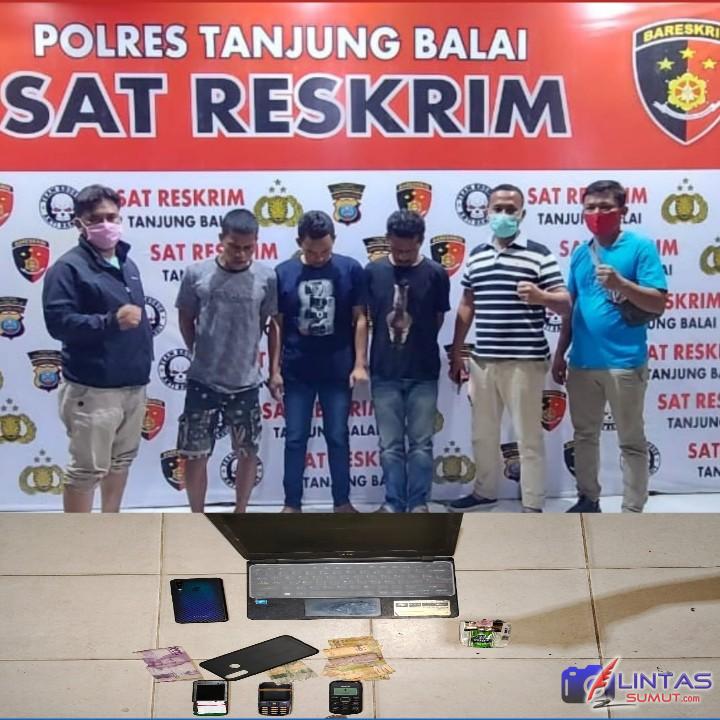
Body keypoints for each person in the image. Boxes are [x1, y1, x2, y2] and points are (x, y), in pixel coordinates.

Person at [448, 184, 571, 513]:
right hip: (483, 360)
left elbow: (565, 303)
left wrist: (541, 297)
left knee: (528, 437)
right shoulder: (477, 255)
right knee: (483, 434)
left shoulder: (539, 254)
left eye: (510, 209)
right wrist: (457, 351)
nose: (503, 214)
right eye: (497, 208)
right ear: (487, 212)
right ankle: (484, 492)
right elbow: (467, 304)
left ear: (522, 214)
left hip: (525, 361)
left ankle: (532, 503)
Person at [552, 180, 667, 513]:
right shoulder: (580, 254)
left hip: (625, 363)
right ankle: (588, 499)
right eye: (590, 207)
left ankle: (632, 510)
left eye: (605, 207)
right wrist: (560, 354)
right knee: (584, 436)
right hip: (582, 364)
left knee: (631, 441)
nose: (597, 213)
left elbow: (658, 302)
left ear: (623, 211)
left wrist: (621, 284)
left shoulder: (640, 247)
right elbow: (571, 308)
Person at [42, 184, 152, 512]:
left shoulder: (127, 264)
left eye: (112, 217)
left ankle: (109, 529)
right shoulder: (67, 268)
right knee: (87, 470)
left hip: (133, 384)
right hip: (93, 390)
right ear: (79, 223)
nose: (107, 224)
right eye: (97, 219)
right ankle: (81, 538)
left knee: (120, 462)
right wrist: (110, 321)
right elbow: (59, 324)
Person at [175, 209, 278, 512]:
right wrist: (198, 350)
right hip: (202, 380)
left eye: (248, 247)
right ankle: (197, 515)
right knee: (195, 453)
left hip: (245, 381)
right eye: (234, 246)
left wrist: (274, 370)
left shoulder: (267, 277)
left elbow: (273, 325)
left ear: (256, 242)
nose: (241, 254)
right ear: (221, 239)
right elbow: (185, 317)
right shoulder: (196, 273)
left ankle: (241, 512)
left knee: (247, 451)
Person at [270, 210, 368, 512]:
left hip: (337, 370)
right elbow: (276, 324)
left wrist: (360, 363)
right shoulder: (283, 272)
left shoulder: (350, 269)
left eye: (325, 251)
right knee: (295, 438)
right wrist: (273, 370)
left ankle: (342, 503)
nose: (319, 257)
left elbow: (360, 318)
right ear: (299, 243)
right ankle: (291, 504)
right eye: (312, 252)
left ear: (334, 241)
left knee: (337, 437)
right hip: (296, 370)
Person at [365, 210, 450, 512]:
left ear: (421, 241)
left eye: (409, 251)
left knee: (421, 445)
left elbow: (438, 318)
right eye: (396, 249)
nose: (402, 256)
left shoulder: (436, 273)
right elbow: (366, 318)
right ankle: (393, 503)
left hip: (423, 372)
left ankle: (418, 503)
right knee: (389, 446)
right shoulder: (372, 272)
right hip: (384, 371)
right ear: (388, 239)